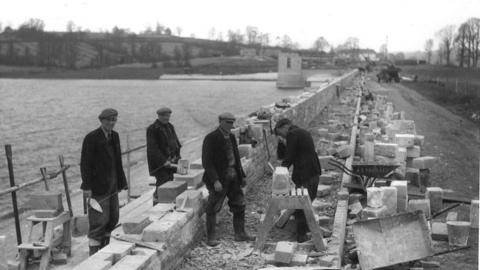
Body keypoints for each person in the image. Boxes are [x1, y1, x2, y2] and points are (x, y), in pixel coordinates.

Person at [202, 112, 255, 247]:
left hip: (233, 178)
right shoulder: (211, 138)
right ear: (220, 121)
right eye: (228, 122)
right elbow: (207, 162)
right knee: (213, 207)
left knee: (239, 204)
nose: (231, 125)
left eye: (232, 122)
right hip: (219, 179)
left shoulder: (231, 137)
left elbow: (236, 158)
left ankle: (240, 234)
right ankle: (211, 238)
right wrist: (215, 181)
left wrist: (241, 175)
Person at [80, 108, 128, 255]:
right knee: (98, 222)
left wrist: (121, 182)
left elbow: (118, 162)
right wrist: (87, 187)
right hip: (97, 187)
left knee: (112, 218)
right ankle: (94, 256)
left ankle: (105, 250)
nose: (111, 123)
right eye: (108, 120)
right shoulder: (91, 138)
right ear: (101, 120)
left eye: (114, 120)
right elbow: (85, 164)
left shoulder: (115, 136)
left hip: (112, 185)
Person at [274, 118, 322, 243]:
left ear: (285, 127)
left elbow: (288, 157)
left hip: (304, 173)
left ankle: (301, 234)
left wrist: (279, 174)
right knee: (307, 200)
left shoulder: (292, 134)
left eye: (280, 133)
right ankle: (304, 229)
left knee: (300, 203)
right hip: (312, 171)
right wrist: (281, 143)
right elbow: (287, 154)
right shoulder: (301, 132)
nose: (281, 136)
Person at [146, 107, 182, 205]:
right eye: (165, 116)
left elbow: (176, 143)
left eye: (168, 116)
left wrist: (179, 158)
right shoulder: (152, 129)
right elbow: (153, 149)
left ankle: (166, 203)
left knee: (169, 181)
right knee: (162, 183)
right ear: (159, 116)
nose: (167, 118)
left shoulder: (170, 126)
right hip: (160, 165)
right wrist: (163, 161)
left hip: (172, 162)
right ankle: (157, 204)